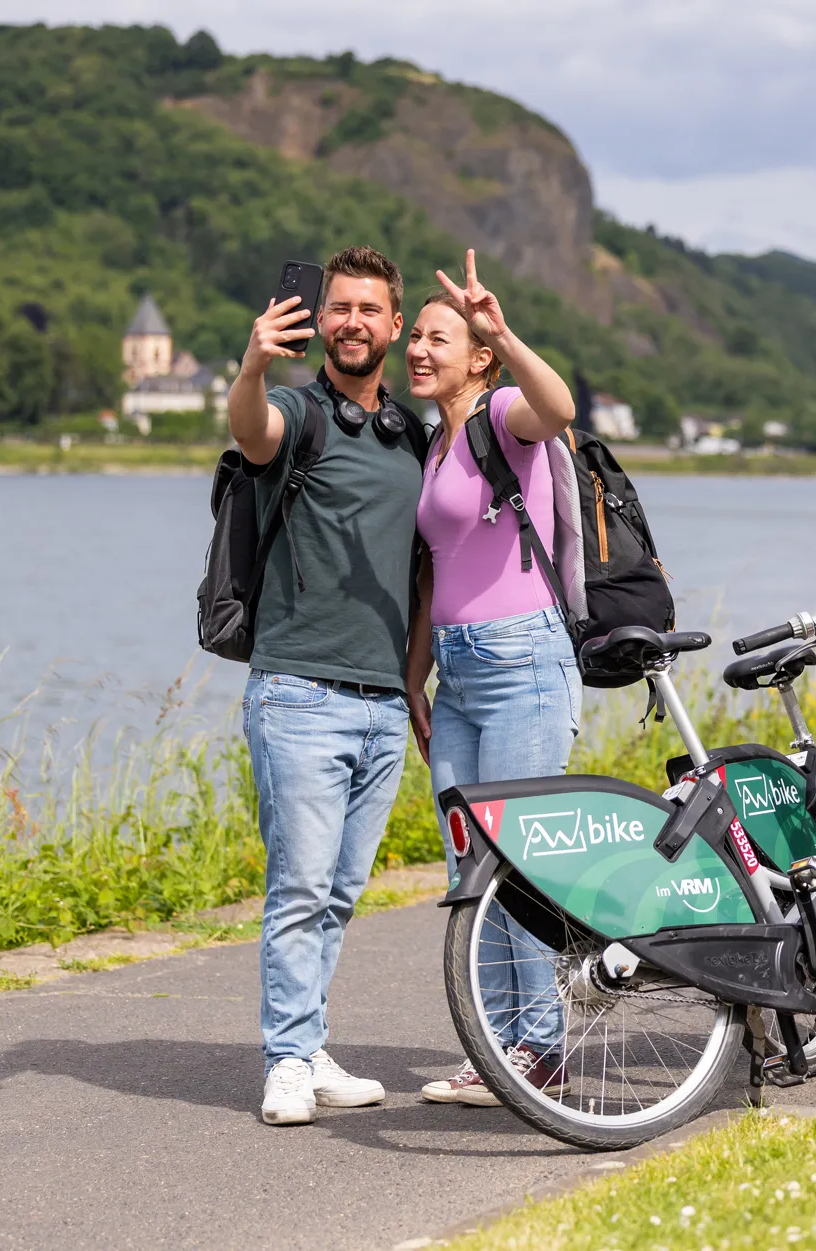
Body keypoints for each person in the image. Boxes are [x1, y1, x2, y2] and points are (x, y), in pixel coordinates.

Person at [227, 246, 424, 1126]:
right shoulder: (296, 413)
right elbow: (249, 432)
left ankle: (308, 1045)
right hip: (299, 692)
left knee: (339, 895)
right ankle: (284, 1062)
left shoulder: (412, 436)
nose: (350, 321)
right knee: (300, 890)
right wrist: (253, 363)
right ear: (324, 318)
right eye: (338, 307)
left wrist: (415, 684)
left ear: (394, 325)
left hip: (383, 702)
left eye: (368, 309)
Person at [405, 250, 580, 1106]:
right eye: (413, 336)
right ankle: (497, 1048)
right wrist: (415, 677)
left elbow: (560, 407)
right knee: (469, 869)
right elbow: (435, 571)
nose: (415, 348)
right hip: (459, 675)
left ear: (477, 358)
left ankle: (541, 1049)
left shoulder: (502, 414)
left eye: (435, 338)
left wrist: (503, 333)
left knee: (519, 863)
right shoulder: (436, 442)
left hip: (523, 664)